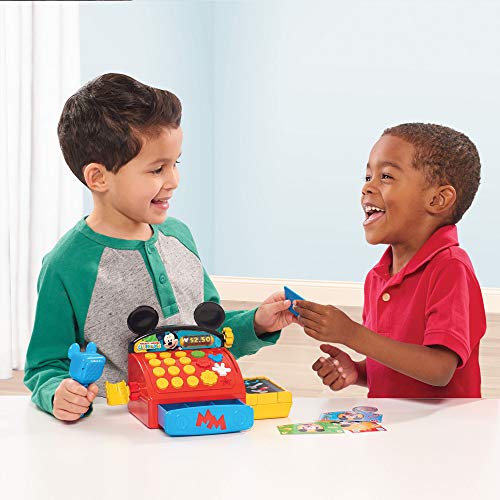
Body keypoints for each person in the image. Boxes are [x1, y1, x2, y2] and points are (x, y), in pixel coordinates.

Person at [24, 73, 296, 421]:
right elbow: (45, 365)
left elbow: (207, 333)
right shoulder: (67, 265)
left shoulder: (179, 237)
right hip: (121, 428)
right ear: (99, 177)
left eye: (175, 164)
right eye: (157, 169)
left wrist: (256, 323)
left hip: (201, 409)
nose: (174, 180)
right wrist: (57, 393)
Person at [295, 123, 486, 397]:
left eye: (385, 176)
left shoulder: (451, 268)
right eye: (367, 176)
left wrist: (352, 334)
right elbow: (395, 363)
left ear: (438, 199)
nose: (367, 187)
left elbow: (439, 369)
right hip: (392, 421)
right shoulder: (377, 277)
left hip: (445, 423)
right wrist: (358, 371)